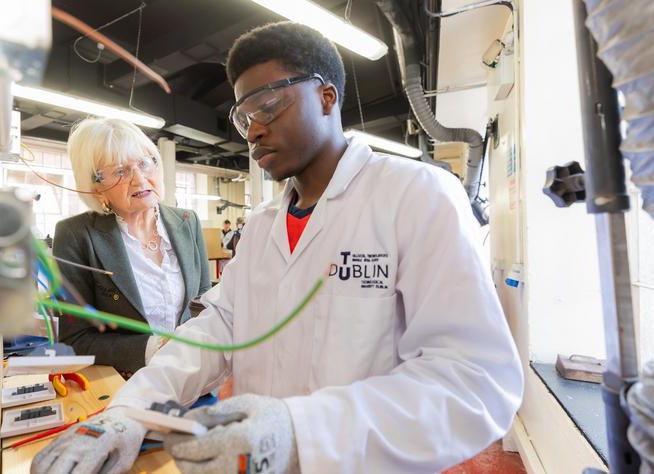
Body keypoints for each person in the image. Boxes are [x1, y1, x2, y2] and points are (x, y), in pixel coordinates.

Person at [32, 22, 523, 474]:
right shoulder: (265, 224)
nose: (255, 130)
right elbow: (216, 328)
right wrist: (126, 414)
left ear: (327, 97)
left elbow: (474, 382)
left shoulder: (414, 195)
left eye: (268, 106)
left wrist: (300, 431)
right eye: (244, 118)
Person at [51, 117, 211, 375]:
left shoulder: (187, 222)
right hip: (127, 385)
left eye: (144, 163)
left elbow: (204, 305)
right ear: (97, 189)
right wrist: (154, 348)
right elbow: (75, 339)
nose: (139, 179)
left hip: (196, 377)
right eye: (120, 171)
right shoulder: (76, 235)